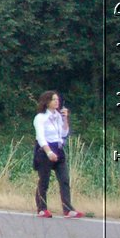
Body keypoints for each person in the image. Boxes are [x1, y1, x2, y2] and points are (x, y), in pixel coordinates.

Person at [33, 90, 83, 218]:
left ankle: (68, 209)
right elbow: (40, 137)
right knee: (44, 181)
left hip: (59, 149)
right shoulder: (40, 117)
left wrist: (65, 119)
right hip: (45, 150)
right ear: (47, 101)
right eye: (54, 99)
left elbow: (64, 133)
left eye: (57, 99)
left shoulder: (58, 116)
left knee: (64, 179)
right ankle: (42, 208)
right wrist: (48, 152)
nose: (57, 102)